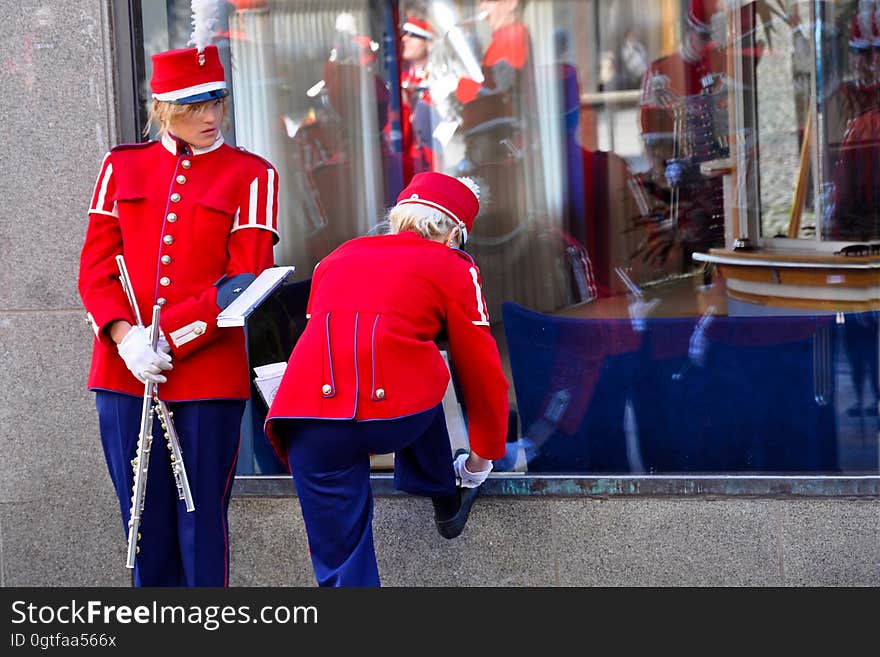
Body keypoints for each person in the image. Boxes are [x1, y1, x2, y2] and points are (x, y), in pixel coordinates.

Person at [77, 43, 279, 586]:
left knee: (200, 528)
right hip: (124, 374)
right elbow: (95, 268)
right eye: (195, 105)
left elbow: (244, 282)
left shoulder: (252, 175)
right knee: (142, 530)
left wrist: (164, 339)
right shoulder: (121, 165)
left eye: (217, 100)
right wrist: (124, 339)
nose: (211, 116)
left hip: (207, 378)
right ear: (164, 107)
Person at [265, 172, 509, 587]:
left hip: (307, 419)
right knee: (425, 362)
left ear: (398, 218)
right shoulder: (452, 265)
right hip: (392, 413)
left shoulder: (337, 255)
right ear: (454, 234)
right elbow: (481, 369)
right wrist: (479, 461)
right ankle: (442, 492)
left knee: (341, 566)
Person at [399, 15, 439, 178]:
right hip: (409, 163)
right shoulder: (401, 80)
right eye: (405, 33)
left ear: (429, 42)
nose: (405, 39)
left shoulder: (439, 79)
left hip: (433, 161)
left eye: (413, 35)